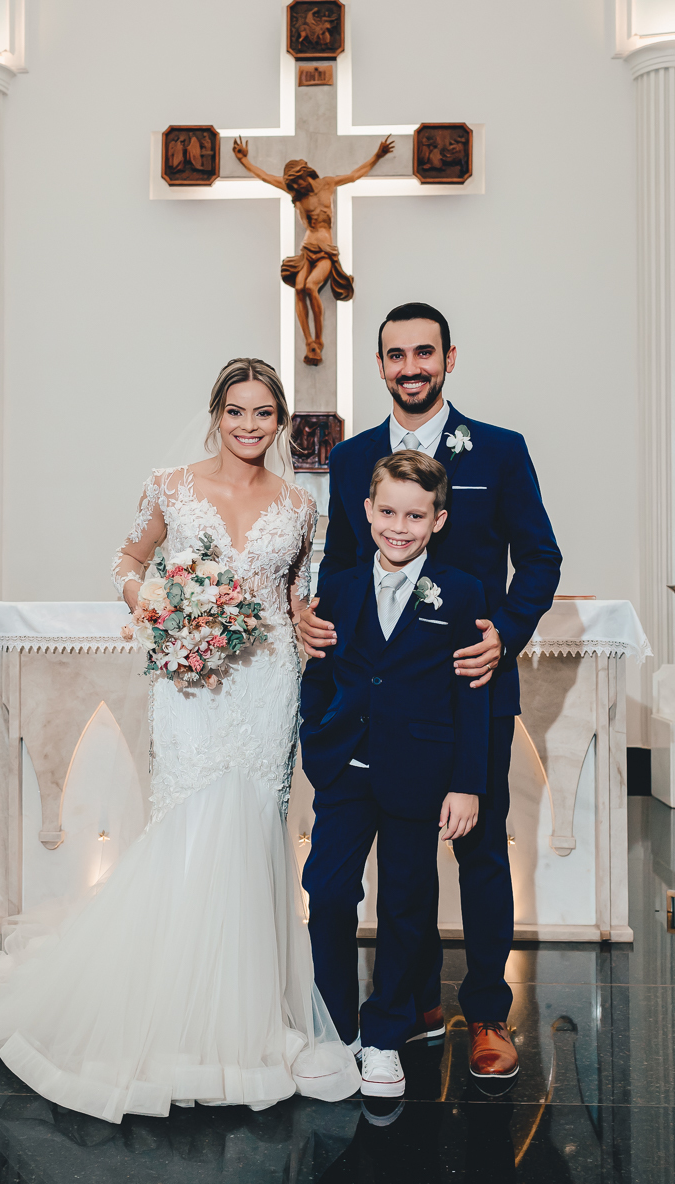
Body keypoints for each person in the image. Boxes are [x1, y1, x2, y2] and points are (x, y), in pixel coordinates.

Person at [0, 357, 361, 1120]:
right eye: (236, 411)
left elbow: (299, 596)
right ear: (216, 414)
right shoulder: (170, 485)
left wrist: (306, 621)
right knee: (192, 822)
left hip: (268, 681)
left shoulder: (303, 506)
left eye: (263, 414)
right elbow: (126, 560)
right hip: (192, 683)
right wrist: (161, 606)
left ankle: (249, 1013)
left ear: (279, 422)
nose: (249, 425)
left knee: (253, 825)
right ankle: (172, 1007)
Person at [298, 302, 562, 1085]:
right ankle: (403, 1001)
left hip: (468, 682)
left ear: (449, 358)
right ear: (379, 365)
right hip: (374, 700)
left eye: (424, 353)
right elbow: (342, 565)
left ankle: (485, 1010)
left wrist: (503, 633)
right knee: (394, 864)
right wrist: (315, 622)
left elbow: (539, 556)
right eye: (395, 355)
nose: (410, 366)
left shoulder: (501, 451)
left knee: (477, 847)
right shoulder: (352, 461)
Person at [300, 450, 489, 1098]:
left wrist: (467, 782)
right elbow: (320, 673)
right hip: (345, 770)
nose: (399, 526)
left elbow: (472, 695)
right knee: (326, 891)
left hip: (421, 773)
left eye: (415, 515)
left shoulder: (461, 592)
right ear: (366, 511)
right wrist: (316, 738)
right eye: (388, 512)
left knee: (407, 905)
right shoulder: (342, 586)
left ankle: (383, 1037)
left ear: (438, 520)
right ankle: (334, 1026)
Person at [232, 137, 394, 366]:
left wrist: (377, 156)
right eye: (293, 185)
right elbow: (265, 177)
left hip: (326, 249)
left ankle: (319, 338)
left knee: (310, 286)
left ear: (305, 174)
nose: (295, 188)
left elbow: (354, 175)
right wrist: (243, 160)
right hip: (308, 247)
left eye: (297, 182)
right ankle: (309, 341)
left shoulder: (328, 184)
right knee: (299, 287)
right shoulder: (294, 192)